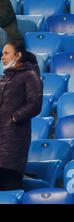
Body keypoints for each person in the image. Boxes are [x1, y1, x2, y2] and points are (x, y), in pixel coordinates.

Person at [0, 41, 43, 191]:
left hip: (14, 140)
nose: (2, 57)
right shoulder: (5, 77)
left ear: (18, 55)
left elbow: (35, 104)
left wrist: (14, 118)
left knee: (10, 185)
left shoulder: (29, 74)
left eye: (6, 53)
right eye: (2, 53)